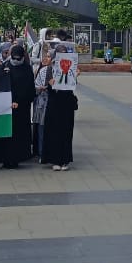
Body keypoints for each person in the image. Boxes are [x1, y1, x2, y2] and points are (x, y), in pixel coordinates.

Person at [41, 37, 77, 171]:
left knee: (66, 131)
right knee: (54, 131)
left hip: (67, 103)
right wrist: (57, 81)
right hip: (55, 103)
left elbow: (73, 85)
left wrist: (74, 76)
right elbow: (49, 83)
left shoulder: (72, 65)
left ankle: (65, 160)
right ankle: (55, 159)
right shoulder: (50, 67)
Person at [1, 44, 35, 169]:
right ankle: (7, 158)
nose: (16, 61)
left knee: (20, 133)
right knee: (8, 133)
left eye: (18, 58)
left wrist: (20, 101)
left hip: (22, 107)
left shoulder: (27, 69)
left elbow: (29, 88)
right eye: (13, 58)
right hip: (8, 107)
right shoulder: (5, 67)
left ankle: (19, 156)